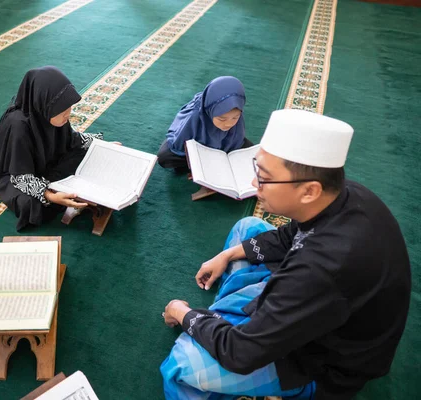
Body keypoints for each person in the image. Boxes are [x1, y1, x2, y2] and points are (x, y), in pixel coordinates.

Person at [160, 109, 411, 399]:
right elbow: (290, 236)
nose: (255, 184)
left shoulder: (321, 268)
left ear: (309, 191)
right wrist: (226, 256)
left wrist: (184, 314)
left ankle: (230, 329)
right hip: (314, 307)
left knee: (182, 362)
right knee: (248, 229)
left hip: (322, 361)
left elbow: (240, 355)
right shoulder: (344, 194)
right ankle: (231, 323)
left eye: (264, 178)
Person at [0, 66, 106, 231]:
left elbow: (70, 140)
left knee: (88, 153)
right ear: (43, 104)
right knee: (30, 205)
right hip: (19, 175)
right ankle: (59, 192)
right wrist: (51, 196)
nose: (68, 115)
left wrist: (99, 144)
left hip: (48, 165)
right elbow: (20, 177)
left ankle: (62, 188)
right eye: (63, 111)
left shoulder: (52, 114)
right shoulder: (18, 126)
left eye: (69, 109)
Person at [157, 76, 252, 172]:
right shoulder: (195, 115)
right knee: (165, 157)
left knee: (252, 154)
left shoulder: (235, 108)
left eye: (235, 118)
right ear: (209, 111)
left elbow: (238, 140)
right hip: (198, 147)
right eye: (221, 119)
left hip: (227, 143)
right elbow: (181, 141)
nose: (229, 124)